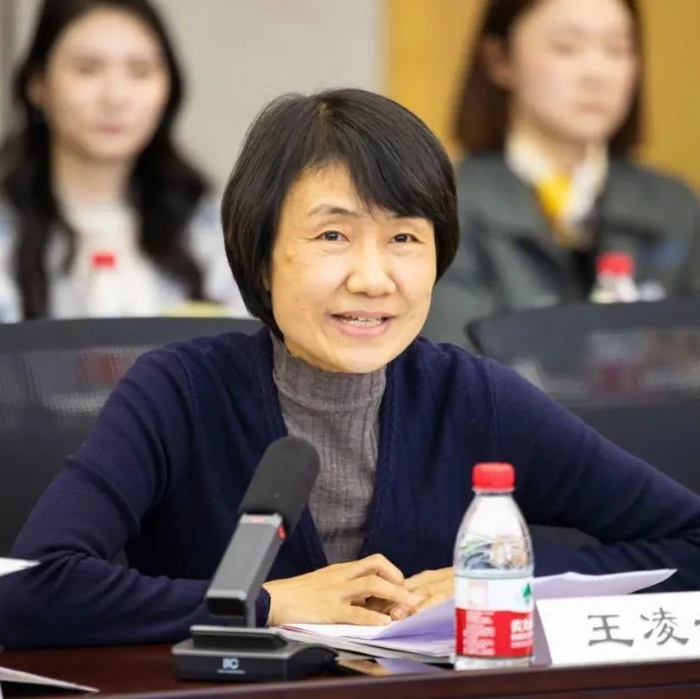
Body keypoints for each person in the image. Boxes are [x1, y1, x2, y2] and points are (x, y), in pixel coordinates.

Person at [1, 87, 700, 649]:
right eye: (333, 234)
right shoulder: (177, 393)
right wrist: (266, 602)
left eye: (405, 238)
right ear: (261, 256)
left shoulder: (475, 398)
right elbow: (29, 589)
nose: (373, 278)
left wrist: (497, 579)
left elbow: (689, 540)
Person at [423, 0, 700, 347]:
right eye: (566, 47)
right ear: (499, 59)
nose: (597, 74)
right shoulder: (446, 205)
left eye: (617, 49)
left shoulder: (676, 207)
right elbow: (451, 360)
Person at [0, 0, 247, 322]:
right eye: (87, 69)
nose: (115, 98)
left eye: (139, 72)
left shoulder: (208, 224)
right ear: (38, 84)